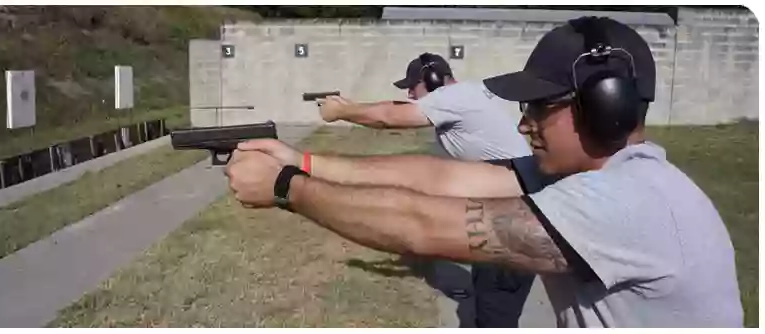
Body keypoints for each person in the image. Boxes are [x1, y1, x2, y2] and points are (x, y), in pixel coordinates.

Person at [224, 16, 743, 327]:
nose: (524, 124)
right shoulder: (582, 178)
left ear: (605, 105)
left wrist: (287, 189)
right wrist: (303, 161)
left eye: (541, 107)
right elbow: (438, 180)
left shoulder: (627, 203)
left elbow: (422, 227)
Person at [314, 52, 536, 328]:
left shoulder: (452, 99)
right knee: (488, 288)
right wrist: (353, 105)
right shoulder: (463, 94)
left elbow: (389, 117)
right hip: (504, 202)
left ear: (432, 80)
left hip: (512, 215)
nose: (409, 93)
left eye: (412, 86)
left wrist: (342, 112)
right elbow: (393, 107)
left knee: (497, 308)